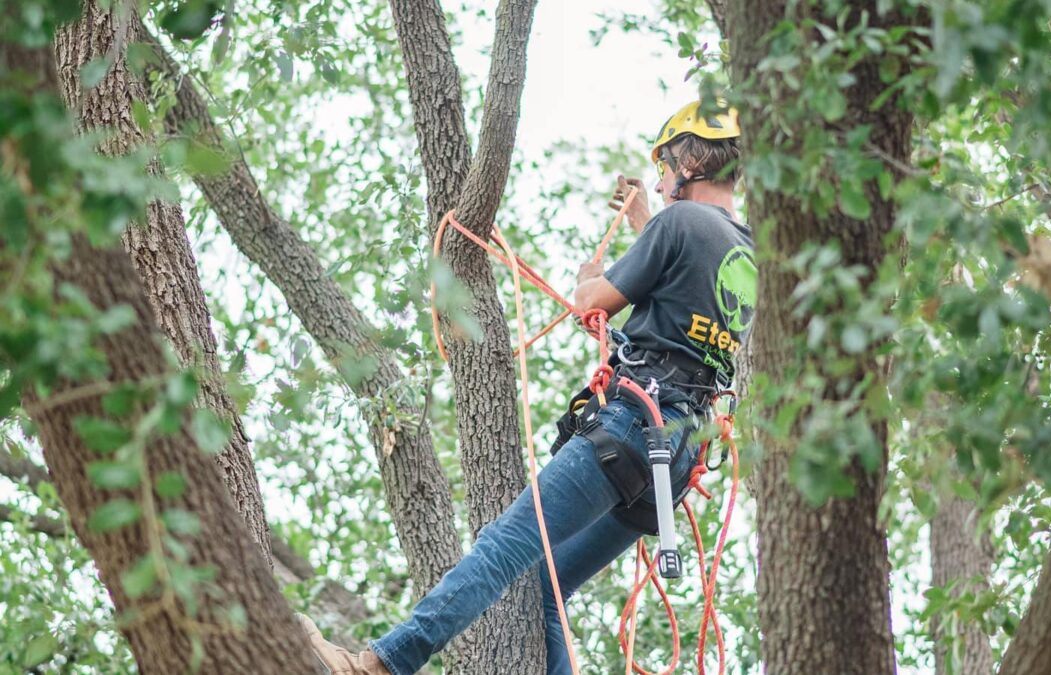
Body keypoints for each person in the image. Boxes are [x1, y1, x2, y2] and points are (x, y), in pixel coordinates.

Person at [299, 99, 756, 675]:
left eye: (665, 164)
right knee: (546, 589)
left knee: (503, 545)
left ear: (690, 159)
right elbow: (685, 286)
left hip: (633, 425)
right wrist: (646, 222)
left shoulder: (680, 222)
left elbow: (593, 302)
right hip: (677, 458)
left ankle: (381, 664)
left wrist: (592, 276)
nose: (662, 179)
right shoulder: (747, 250)